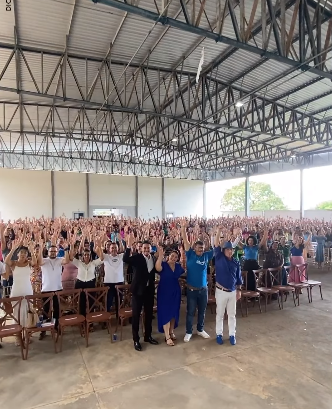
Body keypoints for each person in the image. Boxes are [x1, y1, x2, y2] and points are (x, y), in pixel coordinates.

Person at [123, 234, 159, 351]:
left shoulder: (153, 258)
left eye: (148, 248)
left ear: (150, 249)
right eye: (144, 248)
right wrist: (128, 246)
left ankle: (148, 336)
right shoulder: (137, 257)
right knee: (136, 316)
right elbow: (125, 259)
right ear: (141, 249)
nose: (146, 250)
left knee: (148, 315)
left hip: (149, 291)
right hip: (138, 292)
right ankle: (136, 340)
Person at [180, 219, 213, 343]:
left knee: (202, 312)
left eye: (202, 248)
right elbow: (185, 241)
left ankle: (200, 329)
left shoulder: (206, 256)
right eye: (199, 248)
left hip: (203, 290)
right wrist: (183, 229)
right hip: (192, 290)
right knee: (191, 312)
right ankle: (189, 332)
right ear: (195, 248)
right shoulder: (190, 254)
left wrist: (209, 237)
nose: (201, 250)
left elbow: (213, 248)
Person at [5, 238, 37, 345]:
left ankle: (27, 336)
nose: (23, 254)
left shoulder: (29, 263)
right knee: (17, 315)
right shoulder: (13, 263)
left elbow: (35, 262)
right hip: (17, 291)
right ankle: (18, 338)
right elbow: (6, 260)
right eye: (21, 252)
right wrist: (13, 248)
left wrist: (31, 250)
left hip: (27, 291)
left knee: (28, 314)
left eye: (25, 253)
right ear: (18, 254)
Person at [213, 228, 242, 346]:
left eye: (231, 249)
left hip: (232, 292)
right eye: (228, 249)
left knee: (232, 314)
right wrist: (219, 232)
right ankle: (219, 334)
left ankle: (232, 335)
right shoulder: (219, 257)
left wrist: (239, 290)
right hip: (221, 291)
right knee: (220, 314)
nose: (230, 251)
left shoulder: (236, 262)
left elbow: (239, 278)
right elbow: (216, 244)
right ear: (223, 250)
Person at [155, 247, 184, 346]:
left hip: (175, 292)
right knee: (165, 313)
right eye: (172, 256)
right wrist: (160, 256)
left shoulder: (178, 267)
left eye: (176, 257)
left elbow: (184, 271)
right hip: (164, 292)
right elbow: (157, 268)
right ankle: (167, 336)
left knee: (173, 313)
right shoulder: (163, 265)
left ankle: (171, 332)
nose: (174, 258)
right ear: (168, 256)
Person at [70, 235, 104, 317]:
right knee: (81, 302)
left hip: (90, 284)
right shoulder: (79, 263)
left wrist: (99, 247)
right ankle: (82, 319)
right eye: (85, 255)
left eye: (88, 255)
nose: (86, 256)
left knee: (91, 302)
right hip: (80, 284)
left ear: (90, 256)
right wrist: (72, 246)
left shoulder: (93, 263)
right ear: (82, 256)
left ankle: (90, 320)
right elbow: (71, 258)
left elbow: (102, 258)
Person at [103, 239, 125, 316]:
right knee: (108, 302)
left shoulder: (121, 256)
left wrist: (121, 241)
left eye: (115, 248)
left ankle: (118, 317)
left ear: (118, 249)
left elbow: (127, 251)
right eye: (112, 248)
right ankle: (106, 319)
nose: (114, 249)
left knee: (119, 301)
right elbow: (97, 251)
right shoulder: (106, 257)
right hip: (109, 283)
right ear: (109, 249)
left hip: (119, 283)